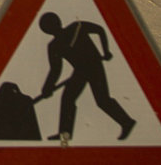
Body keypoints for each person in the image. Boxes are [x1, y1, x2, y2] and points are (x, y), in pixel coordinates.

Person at [37, 12, 135, 141]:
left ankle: (127, 122)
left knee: (102, 100)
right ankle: (65, 133)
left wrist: (105, 51)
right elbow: (55, 70)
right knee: (68, 98)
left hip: (94, 66)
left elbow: (99, 30)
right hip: (80, 71)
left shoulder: (76, 27)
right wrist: (47, 88)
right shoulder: (54, 46)